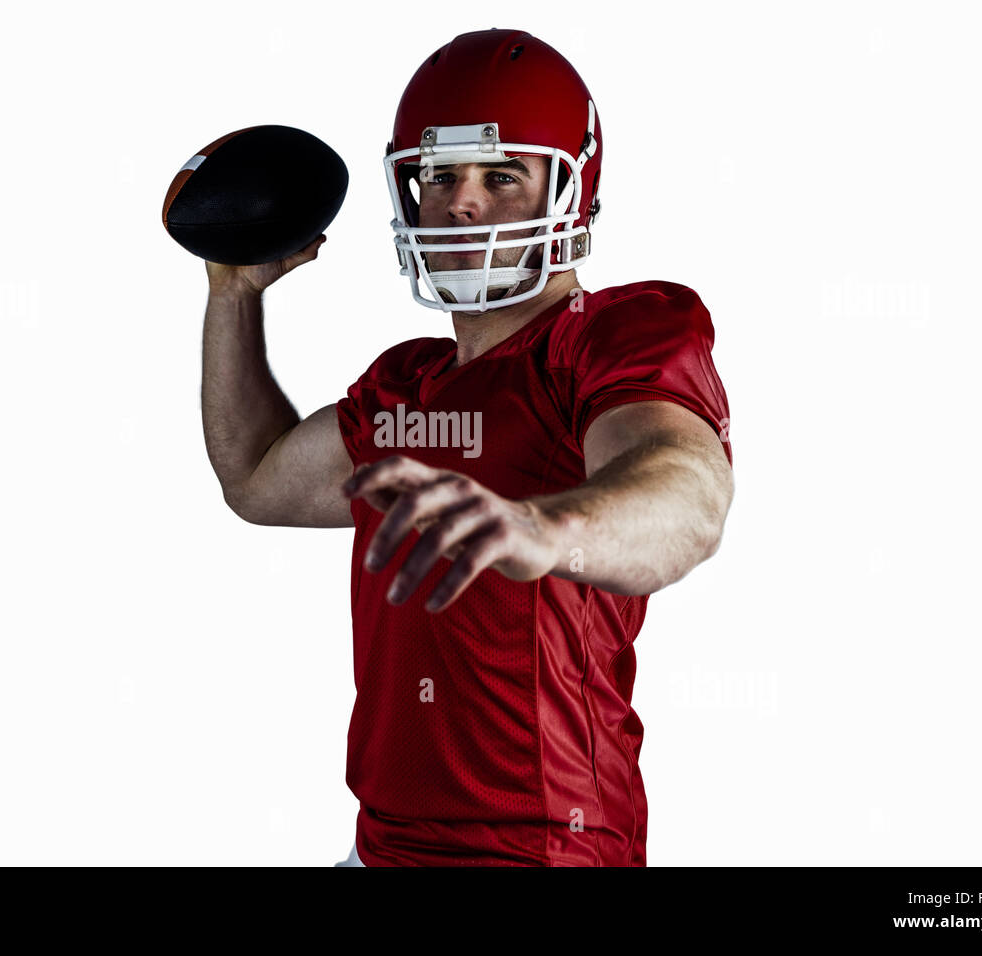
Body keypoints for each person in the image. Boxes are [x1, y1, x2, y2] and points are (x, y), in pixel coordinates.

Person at [200, 28, 734, 866]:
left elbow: (686, 494)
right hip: (381, 846)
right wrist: (233, 295)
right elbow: (257, 482)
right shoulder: (407, 383)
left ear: (570, 189)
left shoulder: (605, 341)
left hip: (542, 848)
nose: (463, 204)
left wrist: (546, 529)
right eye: (440, 176)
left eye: (501, 176)